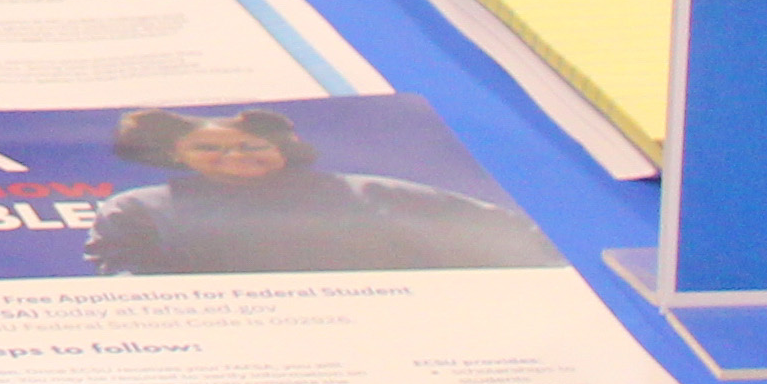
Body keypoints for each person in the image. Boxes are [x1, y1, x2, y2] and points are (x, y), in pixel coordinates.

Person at [85, 107, 541, 275]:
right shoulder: (139, 209)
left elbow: (503, 235)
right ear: (175, 154)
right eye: (209, 148)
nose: (236, 156)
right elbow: (124, 272)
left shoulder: (370, 194)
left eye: (252, 145)